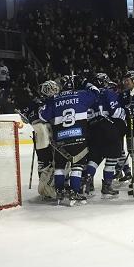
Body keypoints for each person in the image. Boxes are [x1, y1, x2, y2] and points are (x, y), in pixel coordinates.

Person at [39, 75, 97, 206]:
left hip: (60, 140)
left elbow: (42, 116)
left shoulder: (54, 100)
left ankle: (59, 192)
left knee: (59, 166)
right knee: (77, 166)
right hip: (78, 138)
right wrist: (85, 81)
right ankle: (75, 192)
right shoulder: (81, 95)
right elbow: (96, 93)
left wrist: (46, 101)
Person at [85, 73, 126, 198]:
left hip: (91, 129)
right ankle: (107, 186)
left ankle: (87, 182)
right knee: (113, 156)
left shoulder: (87, 94)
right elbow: (115, 113)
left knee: (94, 157)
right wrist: (126, 112)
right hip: (107, 128)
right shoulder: (108, 93)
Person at [21, 80, 59, 200]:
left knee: (51, 161)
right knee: (44, 162)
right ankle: (44, 187)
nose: (54, 91)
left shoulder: (52, 101)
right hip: (43, 136)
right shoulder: (37, 102)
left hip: (53, 134)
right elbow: (24, 115)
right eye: (52, 89)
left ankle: (49, 186)